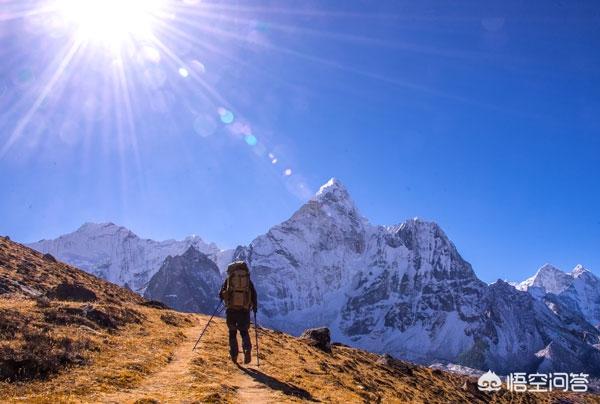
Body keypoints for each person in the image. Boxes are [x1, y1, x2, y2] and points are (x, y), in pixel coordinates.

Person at [219, 260, 258, 364]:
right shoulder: (247, 281)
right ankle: (247, 349)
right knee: (244, 331)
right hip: (244, 310)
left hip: (231, 310)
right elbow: (254, 294)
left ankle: (234, 355)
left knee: (232, 332)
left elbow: (221, 295)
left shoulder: (229, 279)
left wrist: (225, 296)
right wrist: (255, 307)